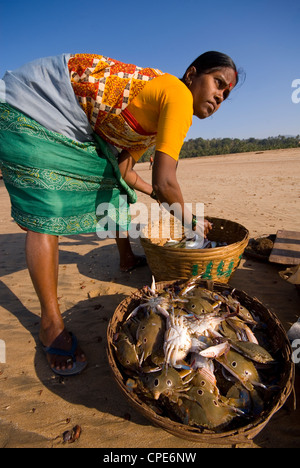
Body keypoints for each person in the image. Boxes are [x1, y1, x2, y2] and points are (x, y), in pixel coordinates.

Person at [0, 51, 239, 375]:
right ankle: (51, 325)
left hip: (68, 117)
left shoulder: (155, 118)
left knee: (116, 191)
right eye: (218, 84)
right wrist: (192, 223)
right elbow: (166, 180)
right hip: (34, 102)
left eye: (226, 94)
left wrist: (153, 192)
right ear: (193, 74)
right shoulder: (178, 96)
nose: (219, 97)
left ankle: (126, 258)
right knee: (47, 209)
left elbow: (125, 171)